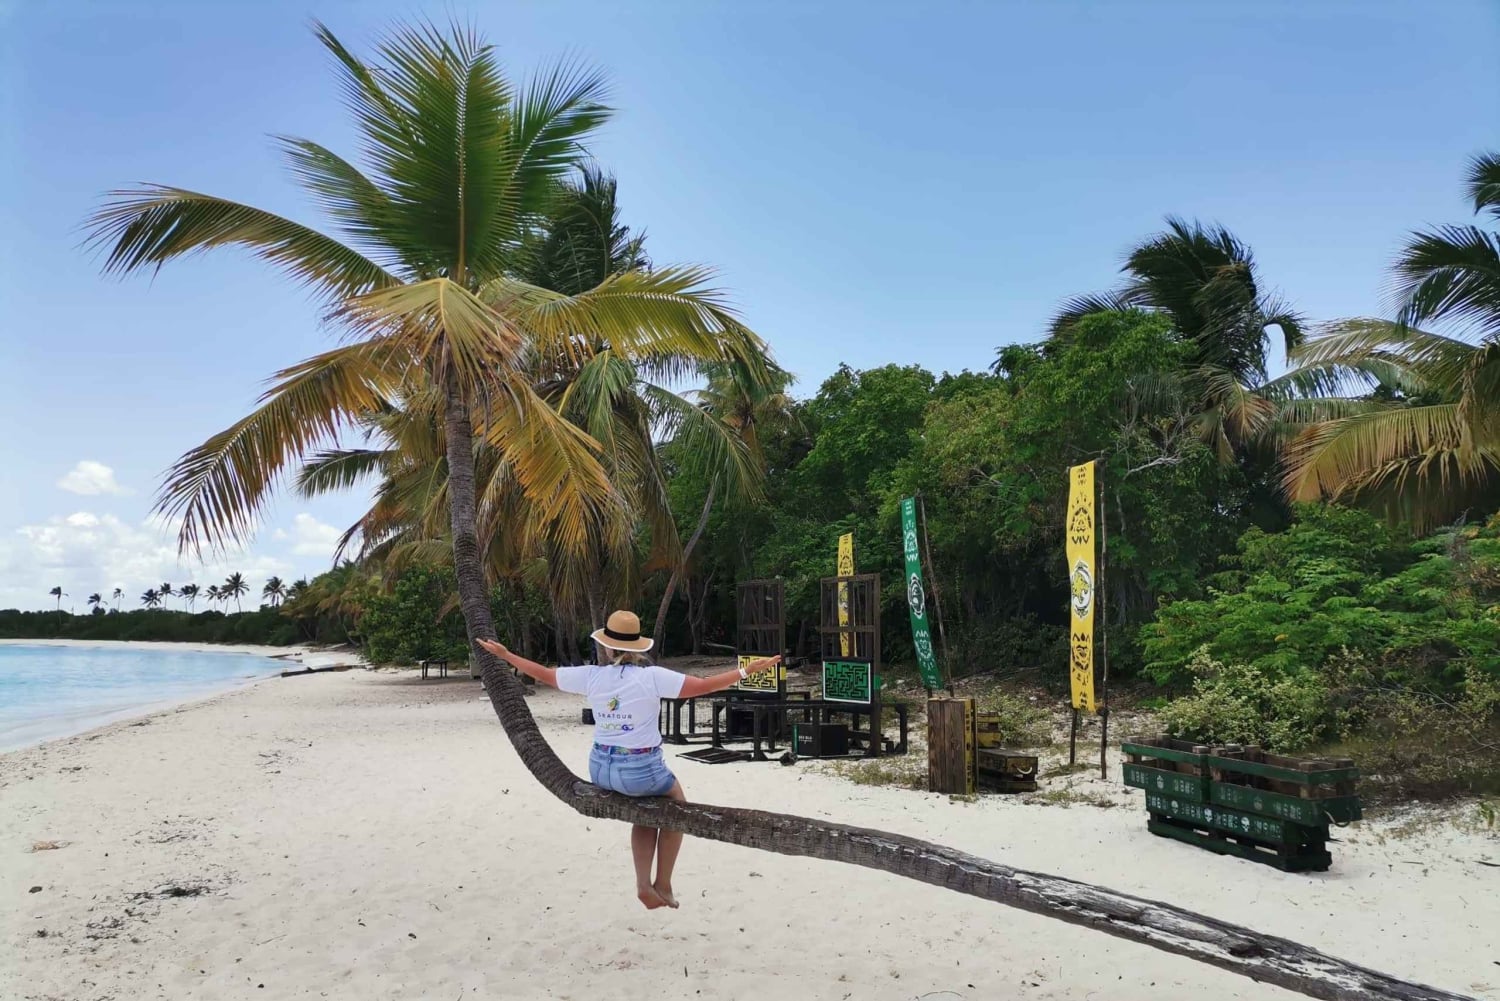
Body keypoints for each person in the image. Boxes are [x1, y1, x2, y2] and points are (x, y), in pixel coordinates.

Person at [478, 609, 779, 911]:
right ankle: (662, 882)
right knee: (678, 804)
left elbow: (544, 674)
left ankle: (642, 884)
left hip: (599, 768)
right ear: (637, 646)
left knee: (644, 813)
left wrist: (507, 655)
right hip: (639, 771)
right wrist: (745, 672)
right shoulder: (652, 677)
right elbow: (702, 687)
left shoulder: (592, 675)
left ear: (609, 647)